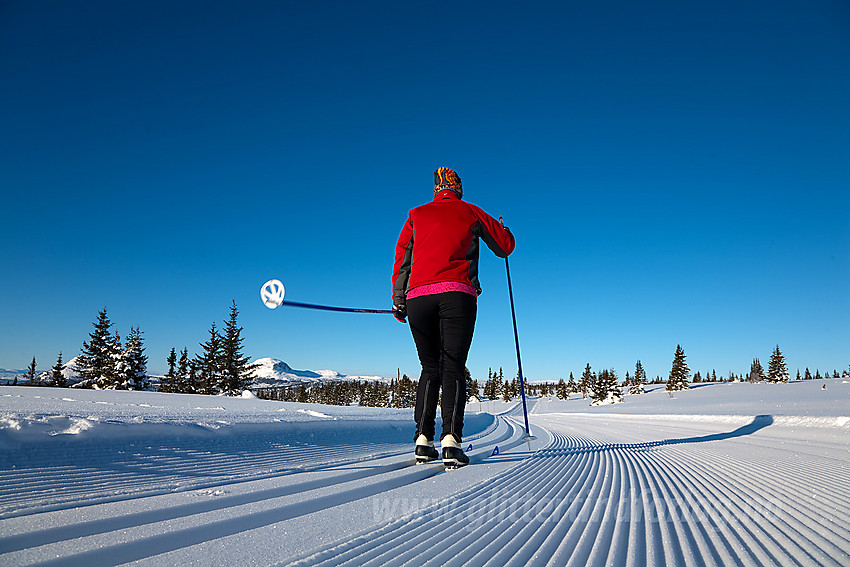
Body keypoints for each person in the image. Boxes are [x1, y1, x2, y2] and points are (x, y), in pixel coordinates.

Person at [391, 167, 515, 468]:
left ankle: (422, 441)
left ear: (436, 189)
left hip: (418, 297)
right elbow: (505, 247)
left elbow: (402, 256)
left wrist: (399, 299)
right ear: (458, 188)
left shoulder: (416, 215)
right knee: (453, 367)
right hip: (456, 294)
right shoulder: (471, 212)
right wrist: (503, 228)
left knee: (429, 368)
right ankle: (451, 441)